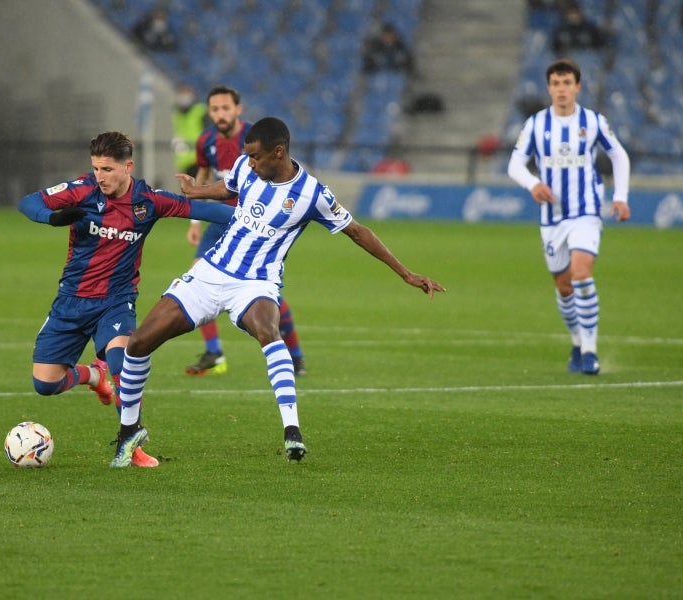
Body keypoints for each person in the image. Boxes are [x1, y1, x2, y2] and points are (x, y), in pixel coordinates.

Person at [111, 117, 446, 468]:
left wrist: (406, 273)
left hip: (257, 283)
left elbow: (358, 232)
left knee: (269, 333)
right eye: (248, 158)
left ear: (279, 152)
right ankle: (129, 431)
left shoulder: (313, 195)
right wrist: (198, 190)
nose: (250, 164)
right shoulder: (246, 167)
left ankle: (292, 431)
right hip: (211, 273)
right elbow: (230, 188)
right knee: (138, 343)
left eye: (256, 158)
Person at [18, 131, 234, 468]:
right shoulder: (82, 190)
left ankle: (131, 445)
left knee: (123, 362)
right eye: (96, 168)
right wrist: (54, 217)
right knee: (45, 384)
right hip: (71, 301)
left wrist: (257, 219)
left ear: (127, 167)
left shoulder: (148, 201)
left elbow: (201, 209)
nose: (100, 176)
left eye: (107, 169)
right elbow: (29, 202)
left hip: (116, 301)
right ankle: (93, 376)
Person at [507, 58, 631, 376]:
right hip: (552, 218)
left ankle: (590, 352)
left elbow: (618, 155)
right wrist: (533, 183)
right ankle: (577, 343)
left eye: (567, 83)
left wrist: (620, 197)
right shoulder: (536, 124)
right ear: (549, 88)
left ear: (578, 86)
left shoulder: (593, 121)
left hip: (586, 211)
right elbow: (515, 165)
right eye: (555, 83)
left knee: (581, 274)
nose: (561, 89)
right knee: (564, 287)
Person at [184, 85, 308, 377]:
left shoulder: (254, 137)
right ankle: (214, 352)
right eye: (215, 109)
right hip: (219, 218)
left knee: (265, 291)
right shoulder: (206, 140)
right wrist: (194, 222)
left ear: (238, 110)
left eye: (226, 108)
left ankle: (295, 354)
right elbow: (203, 173)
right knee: (197, 276)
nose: (220, 114)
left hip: (252, 221)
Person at [171, 83, 208, 178]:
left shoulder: (200, 111)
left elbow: (210, 133)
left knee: (200, 189)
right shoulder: (177, 113)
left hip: (199, 160)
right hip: (184, 160)